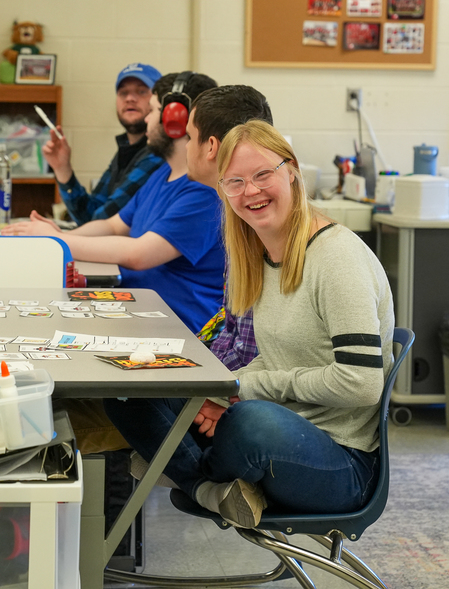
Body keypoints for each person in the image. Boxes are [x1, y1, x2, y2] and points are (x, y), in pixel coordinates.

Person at [105, 120, 394, 528]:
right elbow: (276, 357)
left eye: (263, 175)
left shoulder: (336, 257)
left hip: (340, 463)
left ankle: (177, 464)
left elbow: (362, 384)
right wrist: (216, 394)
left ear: (291, 170)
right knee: (130, 385)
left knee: (248, 424)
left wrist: (241, 391)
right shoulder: (261, 259)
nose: (251, 191)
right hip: (274, 427)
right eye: (235, 182)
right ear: (222, 190)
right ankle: (207, 489)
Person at [10, 71, 223, 334]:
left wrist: (58, 241)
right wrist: (59, 235)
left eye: (154, 110)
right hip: (139, 315)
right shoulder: (162, 175)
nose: (146, 117)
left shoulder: (204, 193)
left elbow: (139, 254)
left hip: (178, 331)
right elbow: (112, 225)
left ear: (175, 120)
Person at [187, 85, 274, 372]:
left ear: (210, 146)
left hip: (250, 389)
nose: (185, 147)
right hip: (232, 370)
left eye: (189, 137)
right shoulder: (234, 212)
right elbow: (230, 324)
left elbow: (248, 350)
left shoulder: (256, 221)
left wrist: (200, 378)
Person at [44, 63, 166, 224]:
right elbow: (89, 214)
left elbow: (101, 221)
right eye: (123, 92)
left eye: (141, 91)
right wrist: (62, 169)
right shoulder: (125, 150)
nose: (130, 98)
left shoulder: (158, 152)